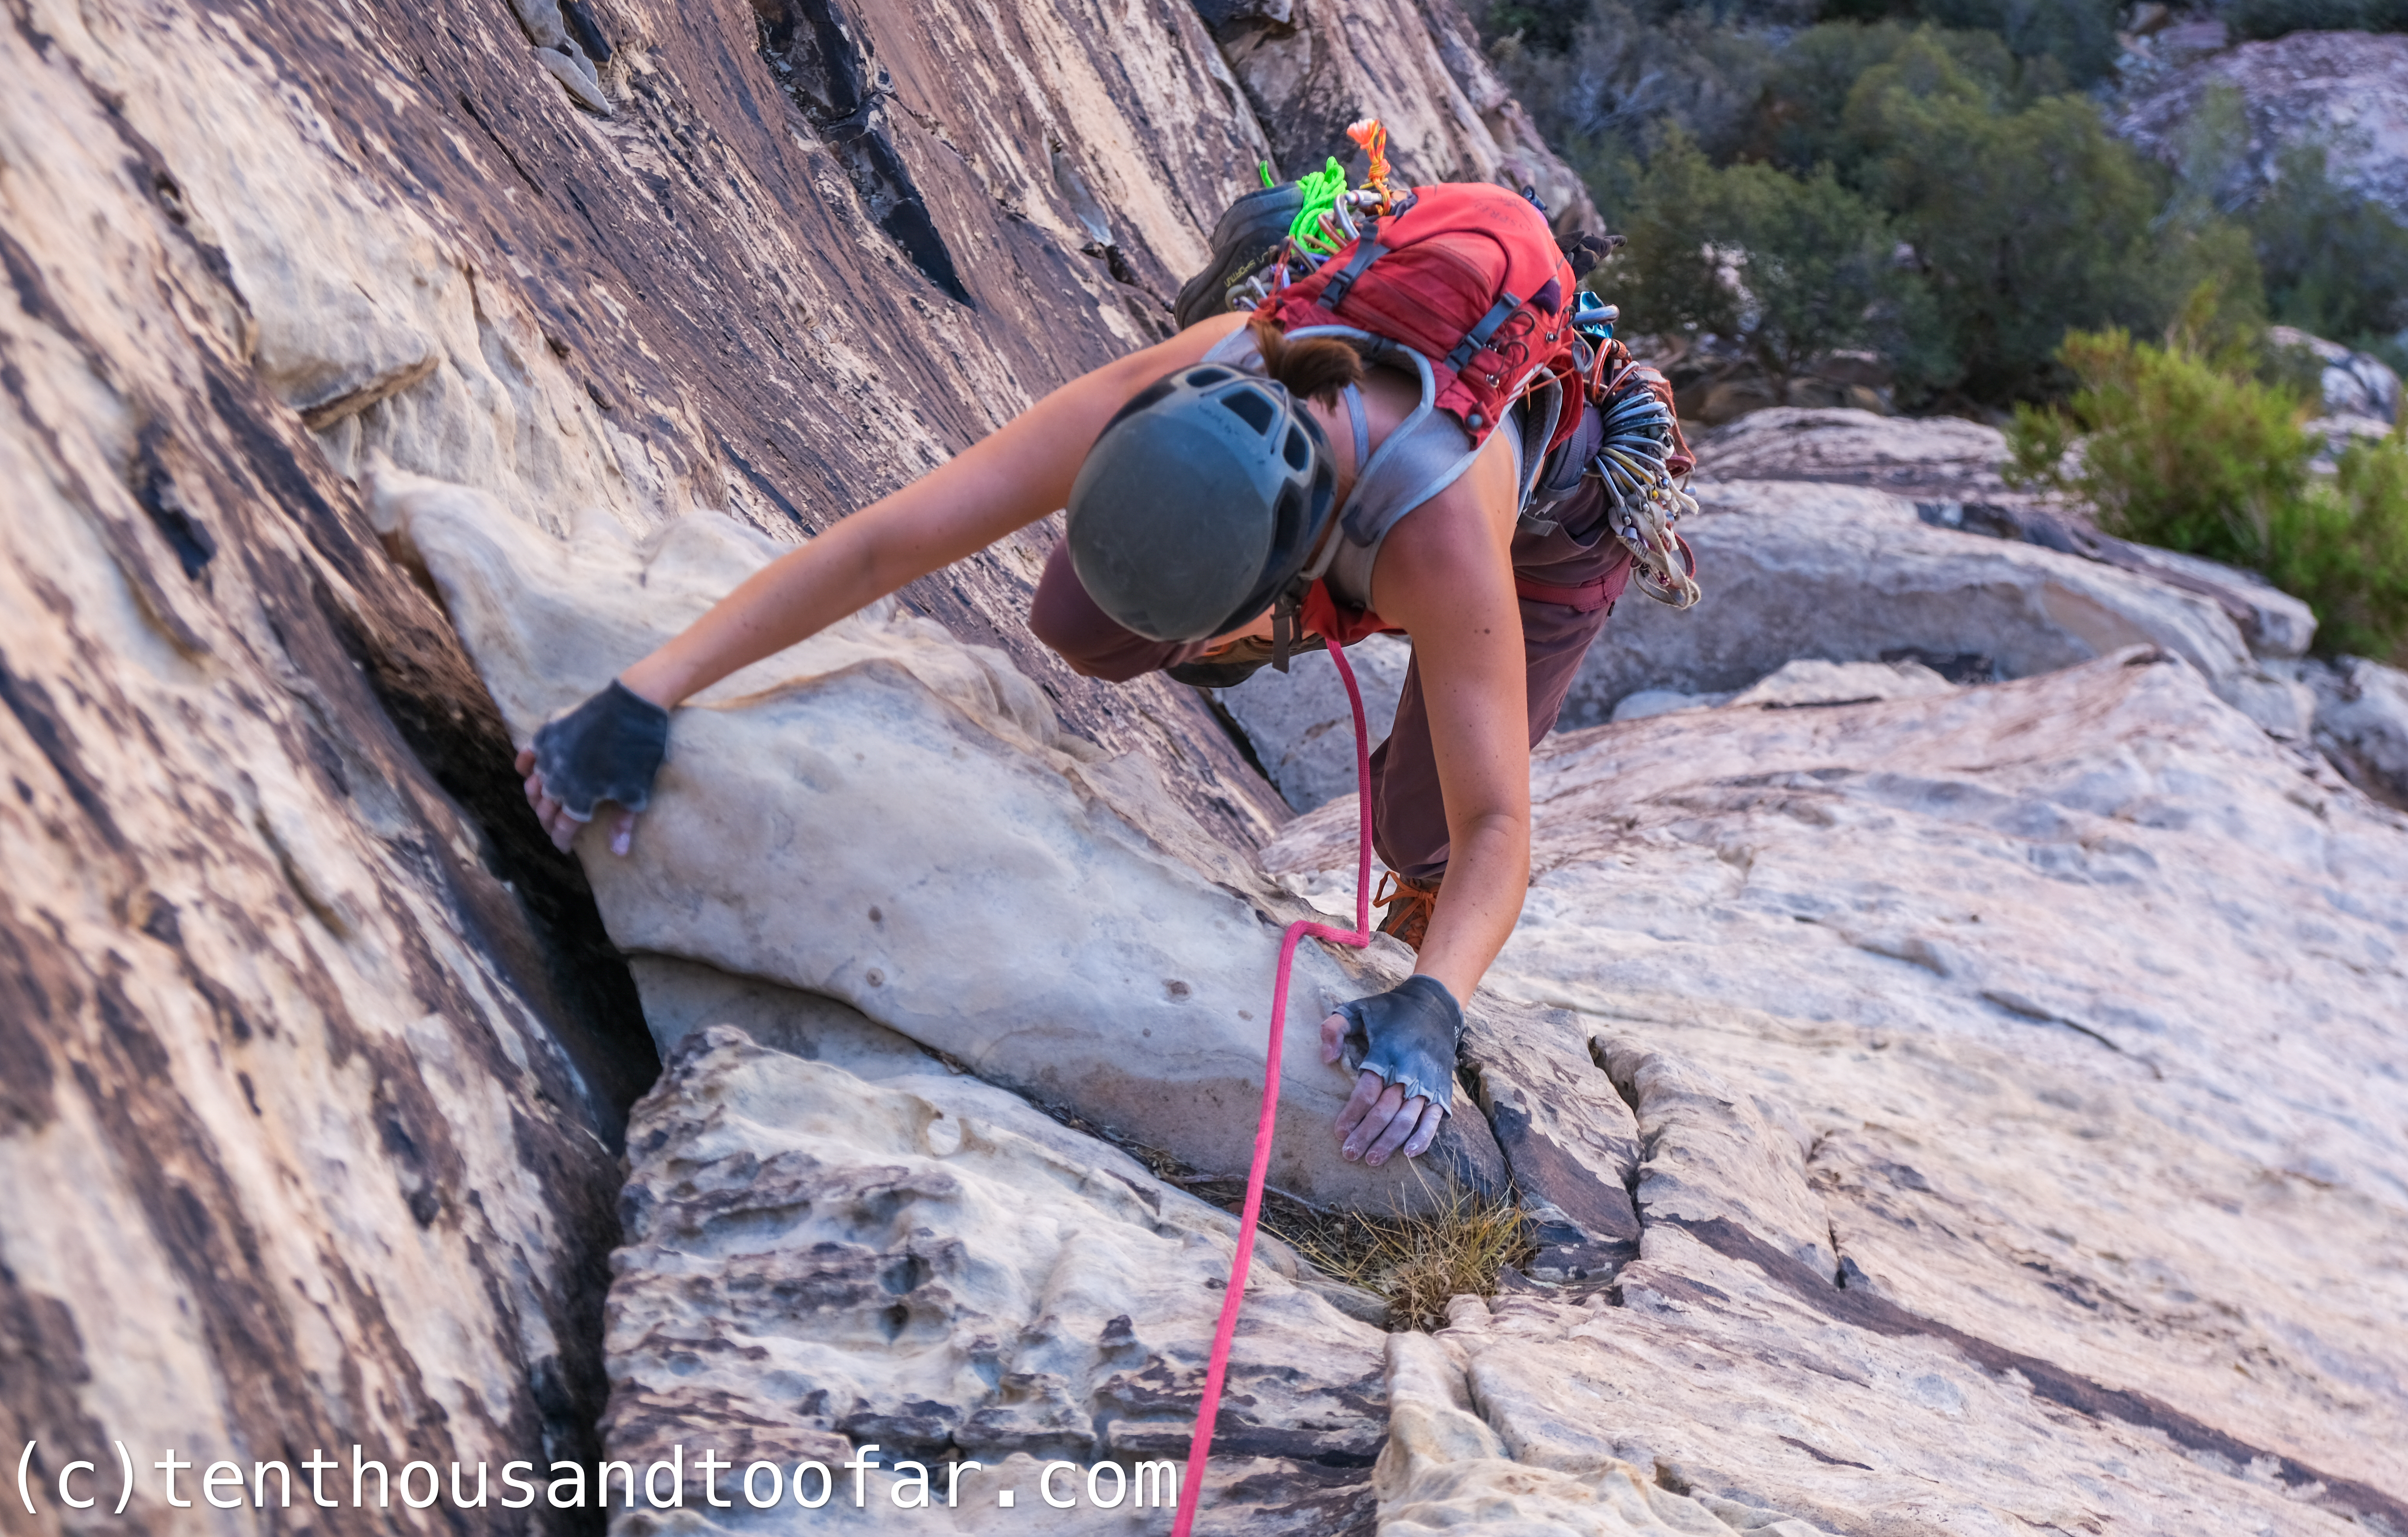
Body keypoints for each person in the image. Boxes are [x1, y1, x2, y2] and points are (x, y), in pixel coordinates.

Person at [518, 174, 1690, 1172]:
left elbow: (1501, 826)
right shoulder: (1198, 374)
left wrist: (1433, 1008)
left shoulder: (1441, 550)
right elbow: (894, 537)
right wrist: (649, 690)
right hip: (1331, 479)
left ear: (1298, 564)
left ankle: (1398, 867)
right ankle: (1208, 610)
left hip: (1555, 517)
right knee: (1086, 614)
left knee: (1427, 822)